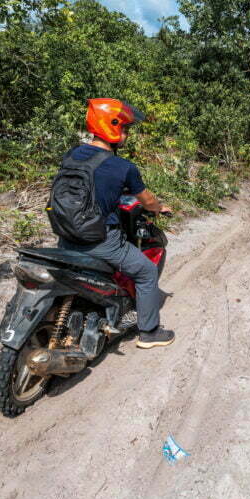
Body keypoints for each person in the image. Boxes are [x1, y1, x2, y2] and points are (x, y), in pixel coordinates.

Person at [57, 98, 175, 349]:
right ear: (112, 127)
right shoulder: (122, 166)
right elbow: (148, 200)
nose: (127, 134)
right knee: (146, 272)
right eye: (125, 128)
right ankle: (149, 332)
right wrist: (159, 207)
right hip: (100, 240)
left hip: (65, 235)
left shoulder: (71, 155)